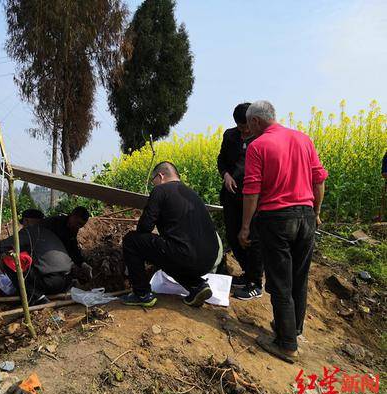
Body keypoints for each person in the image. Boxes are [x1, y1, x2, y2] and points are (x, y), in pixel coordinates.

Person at [239, 100, 328, 360]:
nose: (248, 130)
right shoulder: (303, 139)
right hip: (306, 216)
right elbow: (319, 180)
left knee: (280, 281)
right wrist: (317, 212)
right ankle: (293, 329)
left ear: (256, 121)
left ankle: (286, 344)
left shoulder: (258, 146)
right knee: (299, 278)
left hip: (276, 219)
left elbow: (252, 190)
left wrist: (245, 227)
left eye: (249, 124)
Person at [121, 161, 223, 307]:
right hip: (209, 260)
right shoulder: (191, 193)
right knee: (169, 252)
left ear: (161, 176)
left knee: (132, 240)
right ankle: (197, 286)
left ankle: (141, 294)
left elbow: (144, 228)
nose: (153, 185)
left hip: (186, 256)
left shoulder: (160, 190)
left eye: (153, 180)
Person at [217, 102, 264, 300]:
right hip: (231, 195)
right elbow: (221, 159)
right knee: (234, 235)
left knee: (252, 236)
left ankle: (256, 282)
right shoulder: (230, 136)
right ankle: (247, 273)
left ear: (253, 121)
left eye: (246, 126)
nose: (243, 130)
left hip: (253, 197)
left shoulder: (262, 138)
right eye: (239, 126)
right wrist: (226, 174)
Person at [0, 224, 75, 305]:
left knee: (9, 259)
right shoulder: (46, 232)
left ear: (26, 221)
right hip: (66, 281)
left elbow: (0, 246)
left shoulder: (30, 232)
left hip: (49, 282)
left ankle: (35, 296)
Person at [40, 206, 93, 278]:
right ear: (73, 216)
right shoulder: (53, 223)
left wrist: (82, 263)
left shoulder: (73, 228)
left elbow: (73, 247)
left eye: (81, 225)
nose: (79, 227)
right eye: (78, 223)